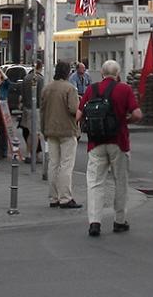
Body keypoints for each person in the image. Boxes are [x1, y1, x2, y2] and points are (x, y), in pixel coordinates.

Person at [77, 60, 141, 237]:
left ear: (102, 73)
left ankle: (94, 222)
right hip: (119, 142)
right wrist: (125, 121)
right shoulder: (124, 89)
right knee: (120, 181)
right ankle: (119, 220)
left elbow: (78, 114)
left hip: (95, 143)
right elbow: (137, 114)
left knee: (95, 182)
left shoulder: (91, 89)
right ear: (118, 73)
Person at [40, 60, 81, 209]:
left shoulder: (47, 88)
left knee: (53, 164)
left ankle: (53, 197)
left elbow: (42, 111)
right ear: (67, 72)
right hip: (67, 130)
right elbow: (73, 109)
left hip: (50, 129)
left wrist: (43, 129)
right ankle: (65, 197)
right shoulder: (70, 88)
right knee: (66, 165)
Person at [21, 61, 45, 160]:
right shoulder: (40, 79)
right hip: (36, 109)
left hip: (26, 108)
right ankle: (31, 155)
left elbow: (22, 93)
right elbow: (41, 96)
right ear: (40, 67)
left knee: (30, 132)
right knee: (35, 133)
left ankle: (29, 153)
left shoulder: (26, 78)